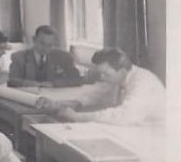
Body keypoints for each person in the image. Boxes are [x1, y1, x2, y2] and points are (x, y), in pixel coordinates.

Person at [38, 47, 166, 125]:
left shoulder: (143, 82)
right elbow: (95, 96)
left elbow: (125, 116)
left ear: (121, 72)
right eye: (100, 73)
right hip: (135, 128)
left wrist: (77, 117)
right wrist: (61, 103)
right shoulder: (120, 78)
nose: (101, 77)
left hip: (154, 133)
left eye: (105, 74)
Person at [8, 25, 82, 87]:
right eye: (42, 43)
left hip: (55, 96)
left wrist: (53, 84)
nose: (45, 48)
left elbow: (77, 79)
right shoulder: (19, 57)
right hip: (30, 97)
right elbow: (12, 80)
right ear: (34, 40)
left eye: (50, 45)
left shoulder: (64, 57)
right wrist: (29, 84)